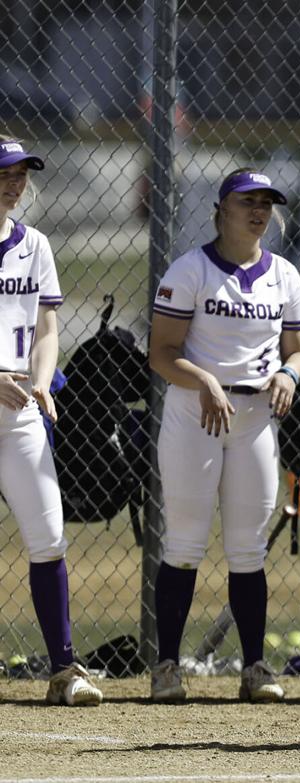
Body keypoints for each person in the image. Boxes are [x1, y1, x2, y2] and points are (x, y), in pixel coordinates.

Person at [148, 169, 300, 703]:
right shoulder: (191, 269)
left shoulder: (283, 274)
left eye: (266, 202)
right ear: (222, 208)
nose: (258, 211)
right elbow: (162, 354)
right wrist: (205, 380)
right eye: (247, 202)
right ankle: (168, 666)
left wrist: (289, 373)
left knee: (248, 547)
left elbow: (299, 349)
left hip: (255, 417)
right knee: (187, 540)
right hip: (197, 412)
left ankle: (255, 667)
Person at [0, 137, 102, 706]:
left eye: (22, 174)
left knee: (48, 536)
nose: (15, 183)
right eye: (5, 174)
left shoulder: (34, 244)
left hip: (21, 411)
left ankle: (65, 670)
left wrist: (42, 377)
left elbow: (46, 328)